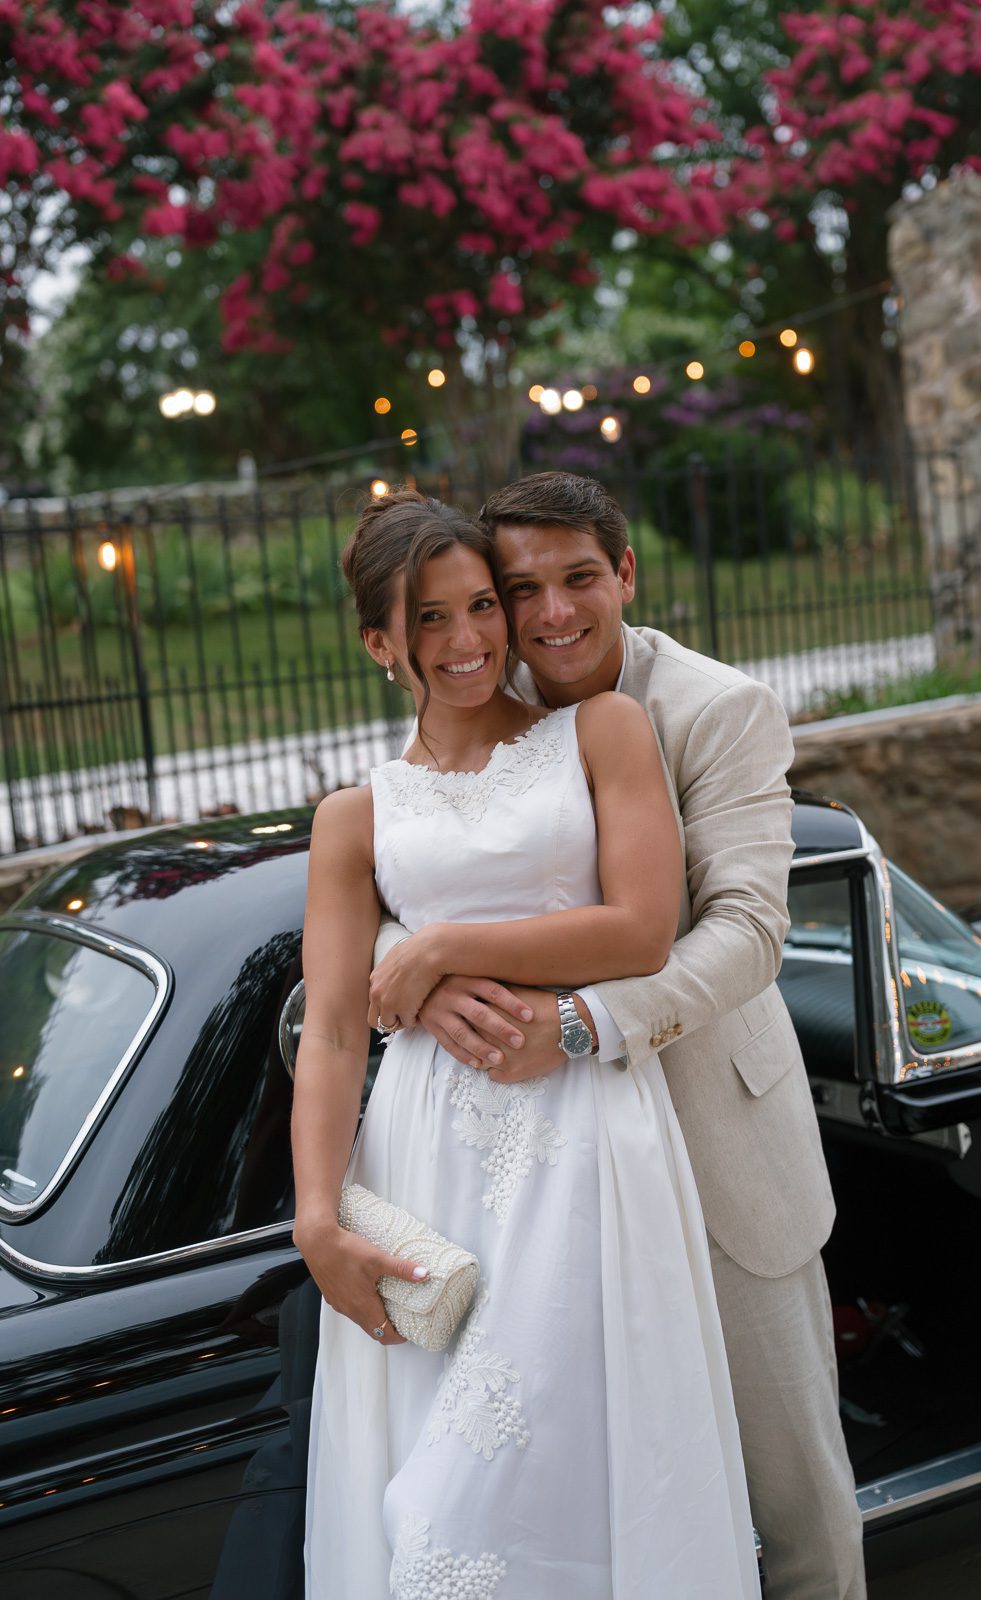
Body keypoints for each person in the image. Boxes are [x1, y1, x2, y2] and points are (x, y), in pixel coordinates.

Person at [374, 472, 866, 1599]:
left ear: (626, 573)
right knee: (598, 1513)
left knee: (797, 1515)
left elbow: (746, 930)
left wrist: (581, 1023)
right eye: (519, 588)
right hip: (540, 1188)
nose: (548, 614)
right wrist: (415, 967)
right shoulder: (470, 697)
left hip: (710, 1152)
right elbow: (399, 868)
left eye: (578, 579)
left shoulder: (713, 707)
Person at [293, 489, 760, 1599]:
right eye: (429, 621)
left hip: (583, 1136)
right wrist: (316, 1217)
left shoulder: (600, 732)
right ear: (377, 644)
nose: (468, 642)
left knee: (535, 1468)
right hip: (424, 1156)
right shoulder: (353, 818)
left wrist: (440, 943)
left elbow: (642, 929)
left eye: (479, 607)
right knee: (431, 1466)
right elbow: (328, 1027)